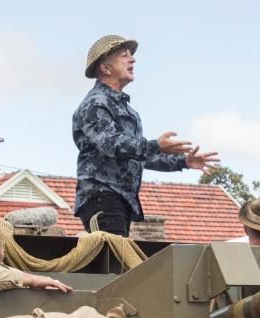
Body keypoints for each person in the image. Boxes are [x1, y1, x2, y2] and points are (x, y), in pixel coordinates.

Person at [72, 34, 219, 237]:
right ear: (105, 68)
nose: (132, 59)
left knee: (118, 263)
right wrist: (156, 145)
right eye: (124, 55)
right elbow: (111, 144)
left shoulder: (127, 111)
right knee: (113, 265)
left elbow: (140, 155)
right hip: (102, 197)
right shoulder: (96, 103)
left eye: (131, 55)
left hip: (119, 200)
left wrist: (183, 161)